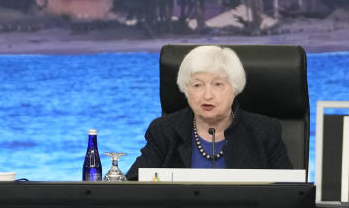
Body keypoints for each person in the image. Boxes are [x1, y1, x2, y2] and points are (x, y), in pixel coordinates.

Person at [125, 45, 291, 179]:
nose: (207, 95)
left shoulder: (264, 132)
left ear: (234, 89)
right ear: (186, 90)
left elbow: (290, 195)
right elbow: (132, 186)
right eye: (197, 85)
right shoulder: (164, 131)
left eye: (218, 84)